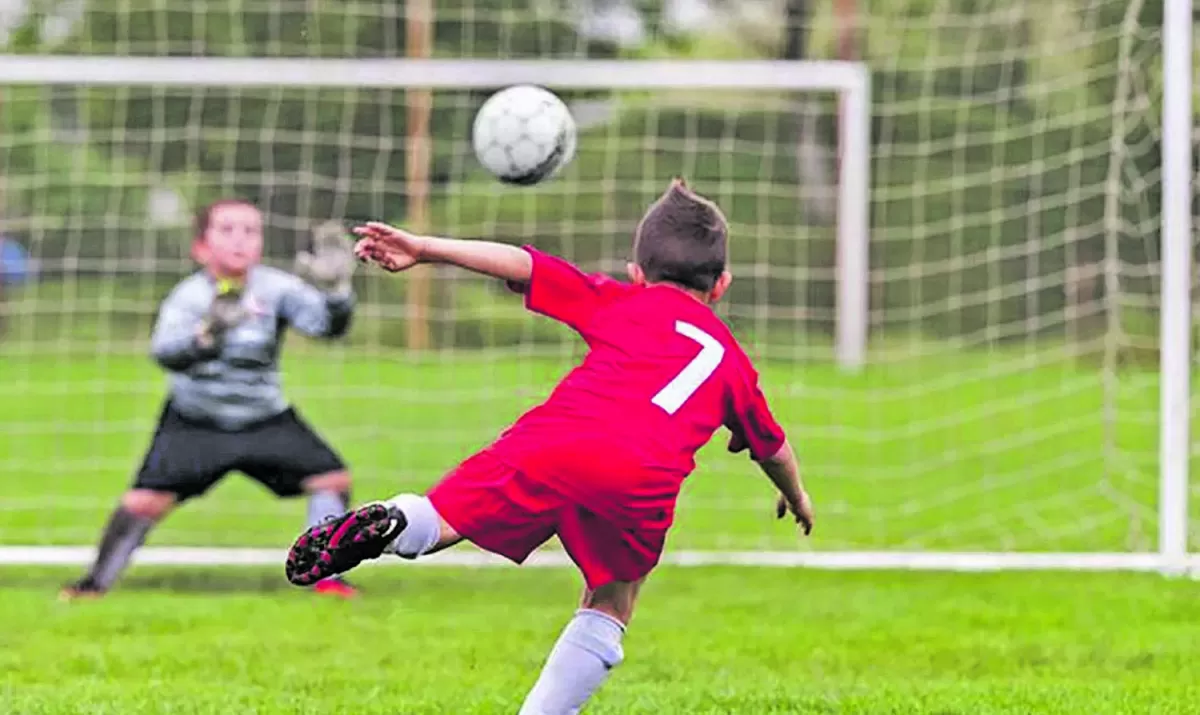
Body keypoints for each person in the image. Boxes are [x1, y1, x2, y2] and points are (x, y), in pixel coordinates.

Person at [285, 178, 814, 713]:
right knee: (611, 601)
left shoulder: (620, 301)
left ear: (637, 272)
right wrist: (797, 496)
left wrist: (424, 248)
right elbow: (773, 448)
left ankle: (398, 522)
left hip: (556, 441)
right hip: (642, 479)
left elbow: (524, 264)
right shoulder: (732, 364)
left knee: (444, 519)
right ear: (721, 284)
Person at [61, 200, 361, 600]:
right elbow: (164, 353)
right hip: (195, 421)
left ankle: (327, 577)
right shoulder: (188, 297)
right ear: (200, 247)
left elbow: (327, 328)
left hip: (264, 418)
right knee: (143, 502)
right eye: (227, 230)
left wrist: (337, 291)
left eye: (250, 231)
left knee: (332, 479)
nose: (240, 239)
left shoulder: (276, 288)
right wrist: (205, 337)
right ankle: (93, 585)